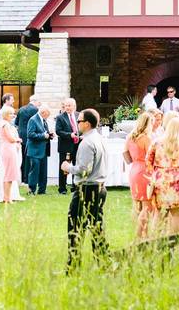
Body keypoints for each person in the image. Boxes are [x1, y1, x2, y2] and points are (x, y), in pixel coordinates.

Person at [60, 108, 108, 271]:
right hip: (99, 187)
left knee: (75, 227)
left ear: (87, 123)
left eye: (79, 121)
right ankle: (103, 262)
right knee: (96, 227)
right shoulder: (99, 138)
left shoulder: (87, 142)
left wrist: (68, 167)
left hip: (87, 188)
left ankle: (73, 265)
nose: (77, 124)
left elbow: (84, 169)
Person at [146, 116, 179, 236]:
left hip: (161, 181)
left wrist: (155, 173)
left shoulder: (157, 142)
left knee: (159, 213)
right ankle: (173, 241)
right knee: (177, 215)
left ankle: (156, 242)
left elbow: (148, 160)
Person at [124, 111, 155, 240]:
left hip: (134, 170)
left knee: (140, 206)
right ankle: (138, 237)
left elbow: (126, 156)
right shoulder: (146, 138)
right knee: (147, 206)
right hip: (144, 171)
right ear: (148, 124)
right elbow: (152, 156)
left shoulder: (130, 136)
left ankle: (145, 235)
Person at [0, 106, 23, 203]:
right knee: (9, 174)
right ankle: (7, 198)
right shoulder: (5, 125)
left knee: (8, 174)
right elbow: (10, 138)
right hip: (8, 149)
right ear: (5, 115)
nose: (13, 116)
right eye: (10, 114)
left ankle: (7, 197)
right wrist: (18, 139)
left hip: (7, 148)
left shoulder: (4, 124)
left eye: (13, 114)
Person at [26, 105, 53, 195]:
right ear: (43, 112)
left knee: (43, 171)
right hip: (34, 150)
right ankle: (31, 190)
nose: (48, 116)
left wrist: (50, 135)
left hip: (43, 150)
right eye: (48, 114)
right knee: (34, 171)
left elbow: (45, 132)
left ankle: (42, 190)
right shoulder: (33, 120)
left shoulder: (44, 120)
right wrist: (43, 136)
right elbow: (30, 134)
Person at [55, 99, 80, 194]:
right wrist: (70, 135)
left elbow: (81, 128)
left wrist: (80, 134)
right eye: (66, 105)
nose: (68, 107)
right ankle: (62, 189)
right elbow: (58, 131)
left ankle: (75, 187)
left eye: (70, 105)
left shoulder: (79, 115)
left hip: (77, 146)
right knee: (63, 167)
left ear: (74, 106)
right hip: (65, 147)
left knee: (77, 167)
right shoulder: (60, 117)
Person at [14, 95, 39, 182]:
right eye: (38, 103)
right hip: (30, 136)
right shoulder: (35, 110)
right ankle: (27, 178)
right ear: (35, 102)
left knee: (22, 157)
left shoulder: (21, 109)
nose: (38, 104)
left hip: (20, 135)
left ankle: (22, 177)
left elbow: (16, 122)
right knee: (28, 158)